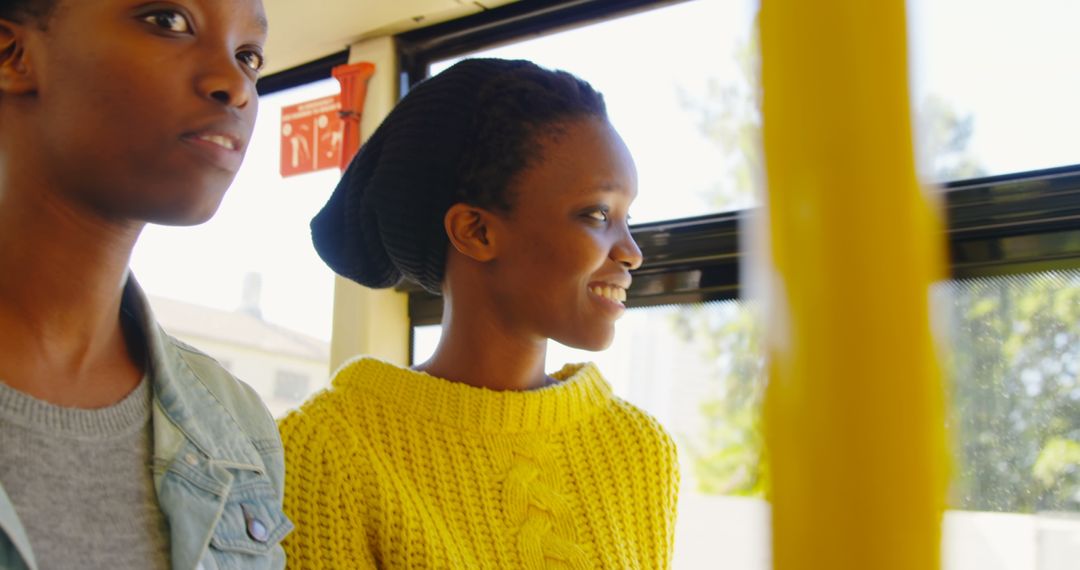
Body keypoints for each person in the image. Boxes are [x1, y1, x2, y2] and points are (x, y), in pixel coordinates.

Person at [280, 58, 679, 569]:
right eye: (597, 214)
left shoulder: (640, 450)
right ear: (476, 231)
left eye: (628, 218)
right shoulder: (326, 452)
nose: (631, 251)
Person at [0, 1, 291, 568]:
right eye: (168, 21)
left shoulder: (239, 432)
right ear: (13, 56)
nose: (234, 85)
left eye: (249, 56)